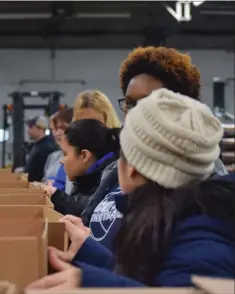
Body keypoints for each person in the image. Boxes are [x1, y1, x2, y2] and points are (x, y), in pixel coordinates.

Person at [26, 88, 235, 290]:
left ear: (132, 169)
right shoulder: (180, 219)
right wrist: (90, 252)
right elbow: (152, 284)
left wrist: (98, 285)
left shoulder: (199, 245)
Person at [82, 46, 228, 249]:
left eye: (148, 103)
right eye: (130, 103)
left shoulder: (201, 175)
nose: (134, 113)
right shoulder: (117, 168)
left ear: (179, 108)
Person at [47, 119, 120, 216]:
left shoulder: (110, 190)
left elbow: (88, 221)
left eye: (65, 154)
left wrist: (57, 197)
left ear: (84, 155)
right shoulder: (84, 181)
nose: (61, 161)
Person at [53, 91, 121, 194]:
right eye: (83, 122)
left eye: (95, 122)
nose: (88, 129)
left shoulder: (118, 158)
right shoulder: (71, 157)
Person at [43, 108, 73, 188]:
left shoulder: (79, 158)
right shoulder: (52, 157)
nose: (57, 133)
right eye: (54, 129)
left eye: (62, 128)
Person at [24, 115, 57, 182]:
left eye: (31, 127)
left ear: (40, 128)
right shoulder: (37, 145)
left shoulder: (47, 147)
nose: (28, 130)